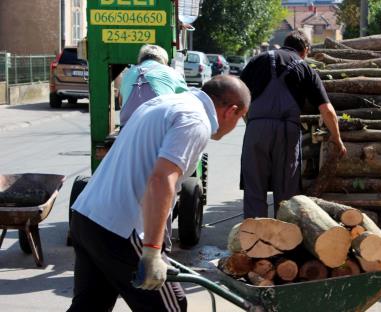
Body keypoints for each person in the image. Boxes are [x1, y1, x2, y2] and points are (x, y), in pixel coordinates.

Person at [68, 75, 250, 312]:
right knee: (172, 307)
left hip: (87, 216)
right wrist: (152, 251)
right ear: (232, 111)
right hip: (120, 228)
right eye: (241, 118)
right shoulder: (196, 121)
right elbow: (162, 179)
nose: (237, 124)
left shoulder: (163, 103)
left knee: (90, 305)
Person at [240, 30, 347, 219]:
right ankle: (285, 241)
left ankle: (253, 240)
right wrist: (337, 139)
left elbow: (238, 98)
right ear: (305, 50)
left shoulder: (257, 61)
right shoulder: (305, 68)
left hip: (256, 128)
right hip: (286, 132)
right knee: (286, 191)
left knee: (254, 186)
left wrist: (251, 122)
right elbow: (327, 110)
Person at [119, 44, 189, 127]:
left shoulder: (128, 73)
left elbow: (120, 100)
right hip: (158, 127)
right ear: (164, 60)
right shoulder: (171, 72)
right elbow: (187, 100)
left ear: (141, 58)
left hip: (127, 128)